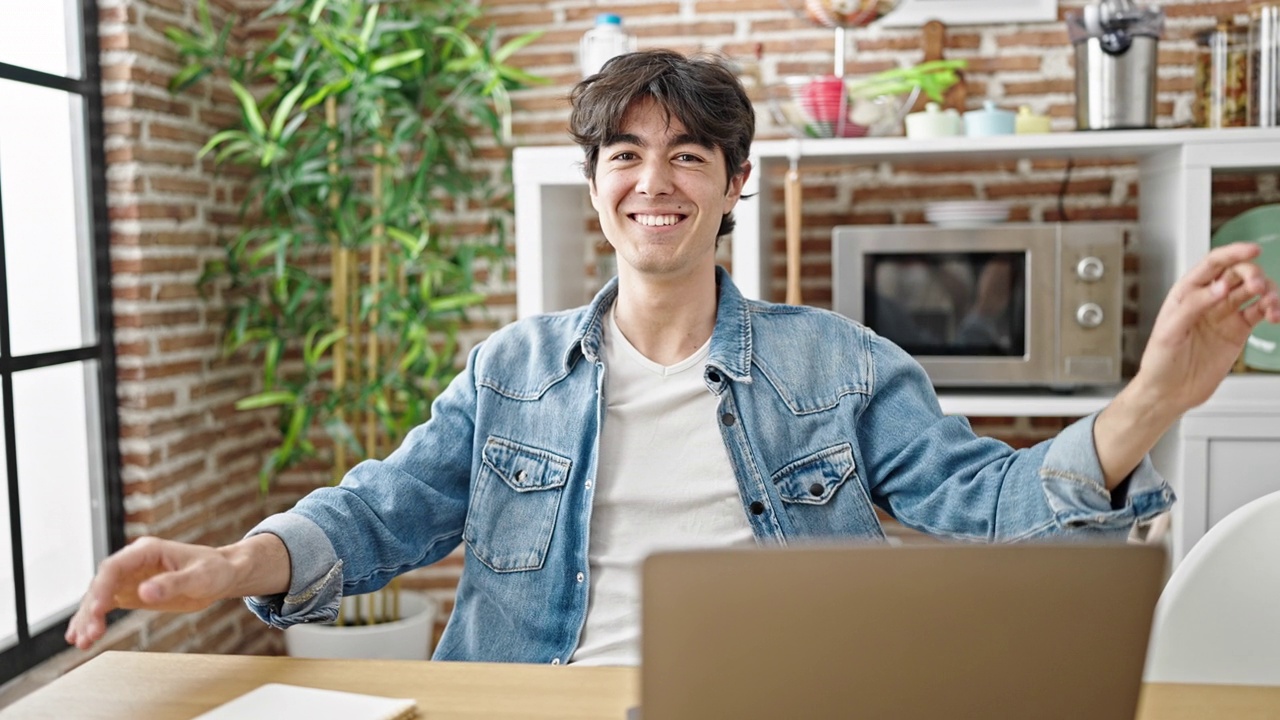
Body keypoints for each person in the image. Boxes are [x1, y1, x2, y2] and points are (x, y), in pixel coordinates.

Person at [67, 50, 1280, 665]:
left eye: (690, 156)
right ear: (597, 188)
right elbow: (382, 514)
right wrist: (231, 561)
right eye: (628, 158)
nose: (657, 183)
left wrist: (1152, 396)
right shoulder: (510, 372)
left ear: (735, 183)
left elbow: (998, 507)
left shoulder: (838, 365)